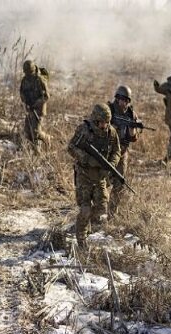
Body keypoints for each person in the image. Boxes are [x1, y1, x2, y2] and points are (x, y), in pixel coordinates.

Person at [68, 103, 121, 249]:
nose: (105, 125)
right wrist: (86, 158)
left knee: (101, 208)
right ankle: (81, 240)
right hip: (84, 175)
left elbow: (117, 151)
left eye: (107, 122)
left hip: (100, 177)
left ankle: (85, 223)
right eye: (102, 122)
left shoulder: (111, 133)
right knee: (85, 209)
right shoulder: (84, 130)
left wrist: (110, 165)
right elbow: (71, 147)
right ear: (96, 120)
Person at [108, 85, 139, 216]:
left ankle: (111, 213)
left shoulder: (131, 114)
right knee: (102, 182)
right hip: (107, 152)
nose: (125, 103)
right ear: (117, 98)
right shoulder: (109, 110)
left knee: (119, 183)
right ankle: (95, 210)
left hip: (122, 153)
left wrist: (132, 129)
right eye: (123, 100)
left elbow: (133, 138)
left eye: (127, 100)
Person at [20, 59, 50, 149]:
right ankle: (33, 150)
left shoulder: (40, 80)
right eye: (26, 72)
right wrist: (25, 102)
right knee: (27, 132)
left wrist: (36, 104)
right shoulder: (25, 80)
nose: (27, 74)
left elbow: (46, 96)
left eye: (29, 72)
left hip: (39, 110)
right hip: (29, 108)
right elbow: (21, 92)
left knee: (36, 132)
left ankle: (46, 139)